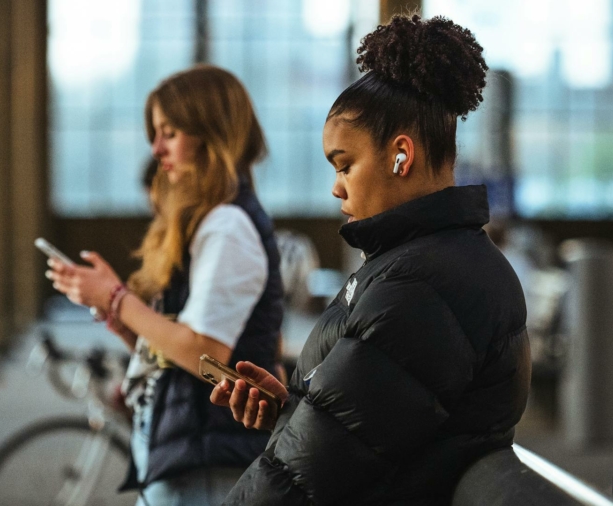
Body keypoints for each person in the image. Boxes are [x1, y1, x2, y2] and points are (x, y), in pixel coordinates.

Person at [211, 15, 531, 505]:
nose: (336, 186)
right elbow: (369, 425)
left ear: (401, 155)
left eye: (345, 164)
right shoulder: (423, 262)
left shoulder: (423, 285)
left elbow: (304, 474)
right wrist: (291, 406)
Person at [47, 65, 285, 506]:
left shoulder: (228, 225)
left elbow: (206, 352)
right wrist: (121, 319)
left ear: (209, 132)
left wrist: (118, 299)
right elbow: (180, 348)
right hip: (188, 453)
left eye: (169, 132)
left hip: (207, 462)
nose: (156, 149)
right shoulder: (212, 220)